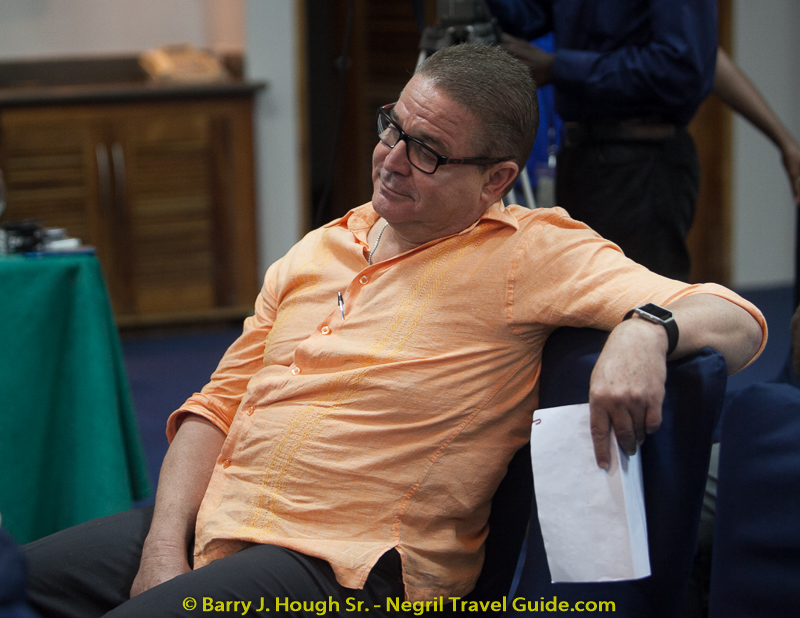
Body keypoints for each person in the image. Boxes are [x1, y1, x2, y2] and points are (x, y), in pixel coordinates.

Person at [24, 44, 766, 618]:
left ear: (497, 179)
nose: (391, 160)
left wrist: (646, 328)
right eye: (393, 128)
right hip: (218, 517)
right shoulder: (323, 246)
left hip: (344, 566)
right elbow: (215, 407)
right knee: (13, 582)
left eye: (428, 152)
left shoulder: (527, 252)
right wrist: (164, 544)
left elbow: (738, 321)